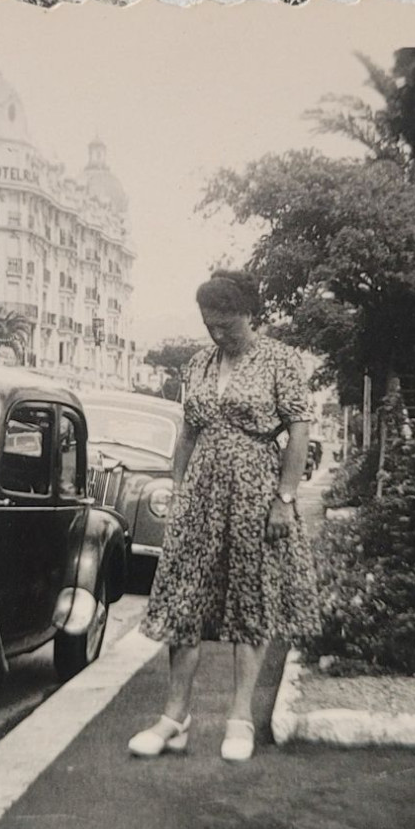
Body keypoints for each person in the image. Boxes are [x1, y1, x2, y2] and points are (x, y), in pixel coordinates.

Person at [131, 270, 321, 763]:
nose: (218, 334)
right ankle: (175, 717)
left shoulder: (280, 360)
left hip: (256, 490)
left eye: (227, 325)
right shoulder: (197, 364)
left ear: (250, 315)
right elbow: (189, 434)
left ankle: (239, 717)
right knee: (183, 597)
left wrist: (284, 498)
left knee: (249, 596)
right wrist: (177, 490)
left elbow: (298, 432)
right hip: (200, 492)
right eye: (209, 325)